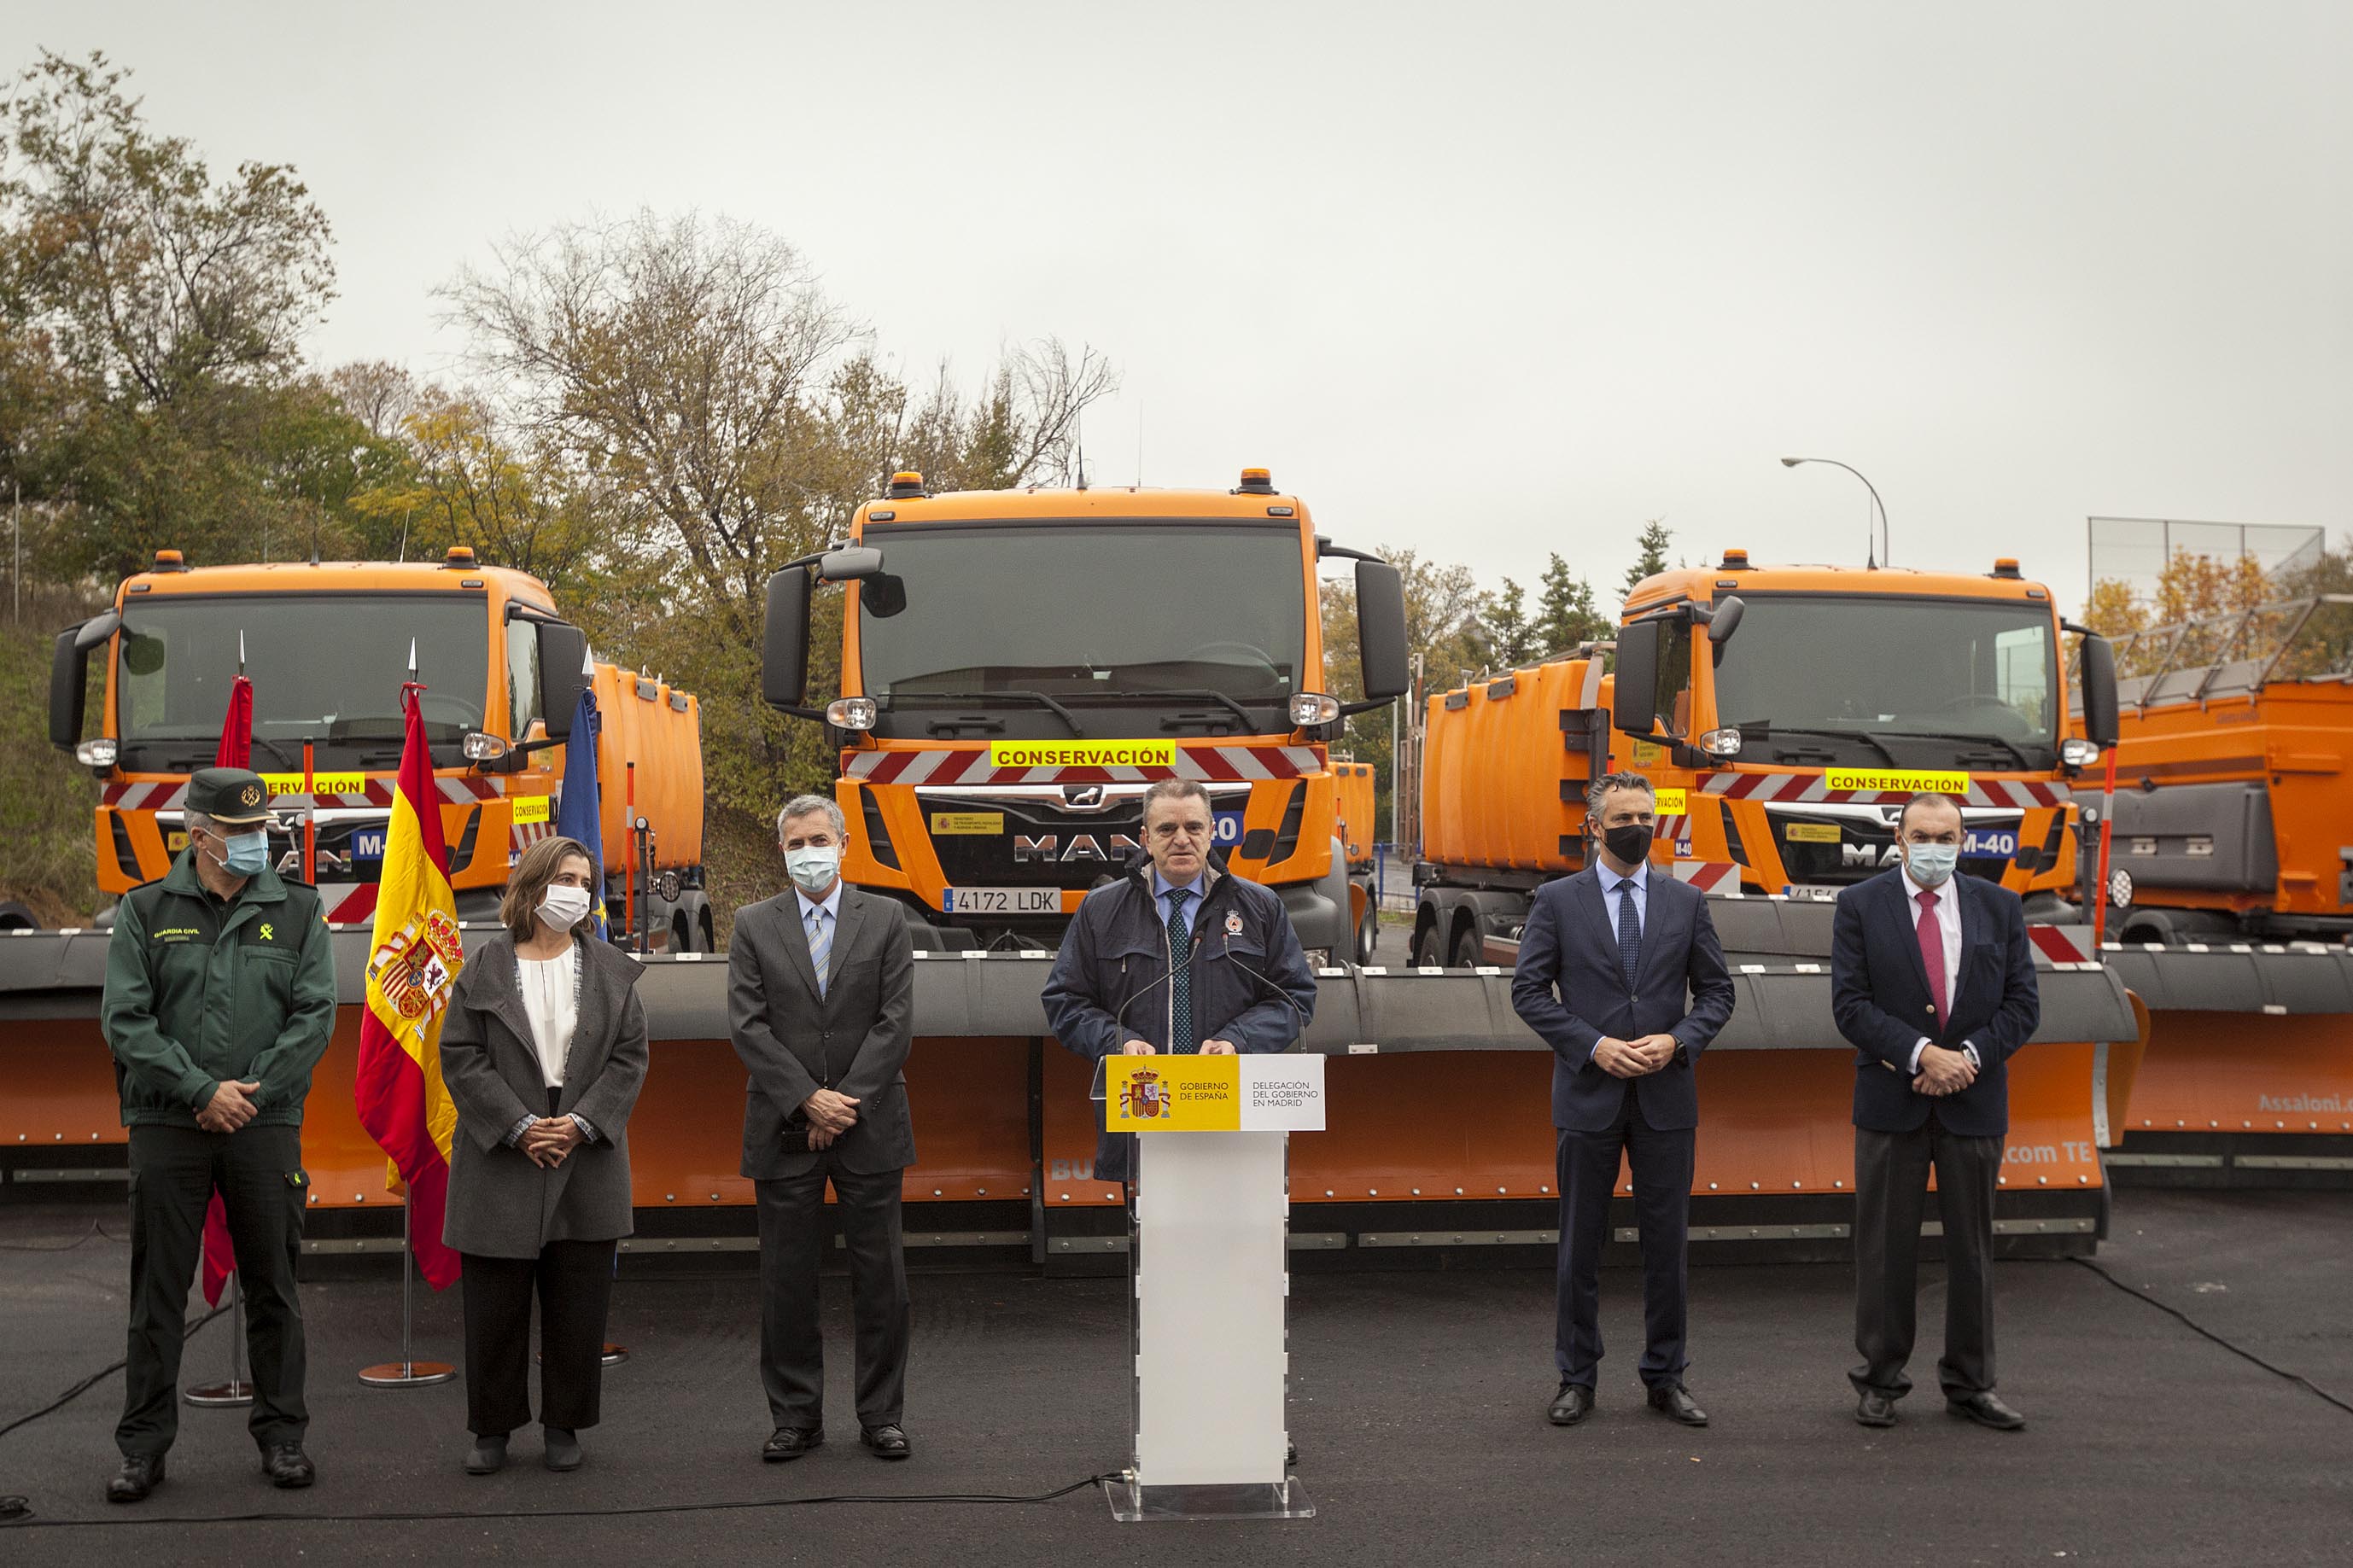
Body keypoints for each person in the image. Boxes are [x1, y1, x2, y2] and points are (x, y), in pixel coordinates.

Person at [98, 767, 336, 1503]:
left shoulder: (298, 912)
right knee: (157, 1294)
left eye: (260, 831)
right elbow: (126, 1020)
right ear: (198, 835)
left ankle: (283, 1437)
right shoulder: (144, 910)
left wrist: (245, 1094)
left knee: (275, 1287)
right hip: (169, 1124)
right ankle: (143, 1448)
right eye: (238, 833)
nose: (254, 844)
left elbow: (315, 1015)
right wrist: (200, 1090)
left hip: (263, 1125)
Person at [1510, 771, 1735, 1431]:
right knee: (1580, 1245)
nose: (1639, 827)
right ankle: (1576, 1377)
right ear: (1595, 825)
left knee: (1667, 1247)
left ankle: (1666, 1377)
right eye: (1625, 817)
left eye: (1647, 815)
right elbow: (1528, 992)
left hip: (1667, 1097)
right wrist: (1592, 1044)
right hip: (1589, 1095)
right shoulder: (1556, 900)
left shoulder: (1687, 902)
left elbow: (1717, 993)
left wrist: (1680, 1039)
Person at [439, 836, 649, 1475]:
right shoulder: (483, 968)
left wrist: (581, 1123)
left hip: (584, 1152)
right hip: (504, 1153)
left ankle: (565, 1425)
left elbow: (630, 1057)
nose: (577, 890)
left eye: (585, 880)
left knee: (577, 1306)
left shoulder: (614, 970)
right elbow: (461, 1056)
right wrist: (520, 1124)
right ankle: (492, 1430)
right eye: (565, 877)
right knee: (495, 1307)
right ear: (533, 885)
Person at [1830, 790, 2040, 1432]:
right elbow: (1851, 1004)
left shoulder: (2000, 907)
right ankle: (1881, 1378)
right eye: (1922, 835)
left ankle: (1972, 1382)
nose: (1934, 848)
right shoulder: (1860, 905)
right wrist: (1921, 1054)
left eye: (1946, 836)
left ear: (1963, 841)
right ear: (1899, 839)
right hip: (1892, 1102)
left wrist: (1967, 1057)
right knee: (1886, 1248)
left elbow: (2021, 1005)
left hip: (1973, 1102)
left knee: (1972, 1249)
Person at [730, 795, 917, 1463]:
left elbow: (895, 1023)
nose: (807, 851)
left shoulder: (888, 918)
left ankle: (882, 1414)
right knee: (786, 1279)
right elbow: (748, 1026)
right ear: (781, 851)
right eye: (794, 842)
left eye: (818, 838)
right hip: (784, 1124)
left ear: (843, 843)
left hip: (871, 1125)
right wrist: (808, 1099)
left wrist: (842, 1104)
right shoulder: (753, 925)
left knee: (882, 1277)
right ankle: (795, 1416)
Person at [1042, 776, 1319, 1186]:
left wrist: (1239, 1040)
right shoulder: (1101, 911)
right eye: (1166, 829)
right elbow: (1065, 1000)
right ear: (1146, 839)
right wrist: (1117, 1042)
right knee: (1154, 1239)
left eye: (1193, 827)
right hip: (1143, 1105)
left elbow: (1295, 998)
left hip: (1232, 1110)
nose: (1181, 839)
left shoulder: (1260, 907)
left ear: (1212, 833)